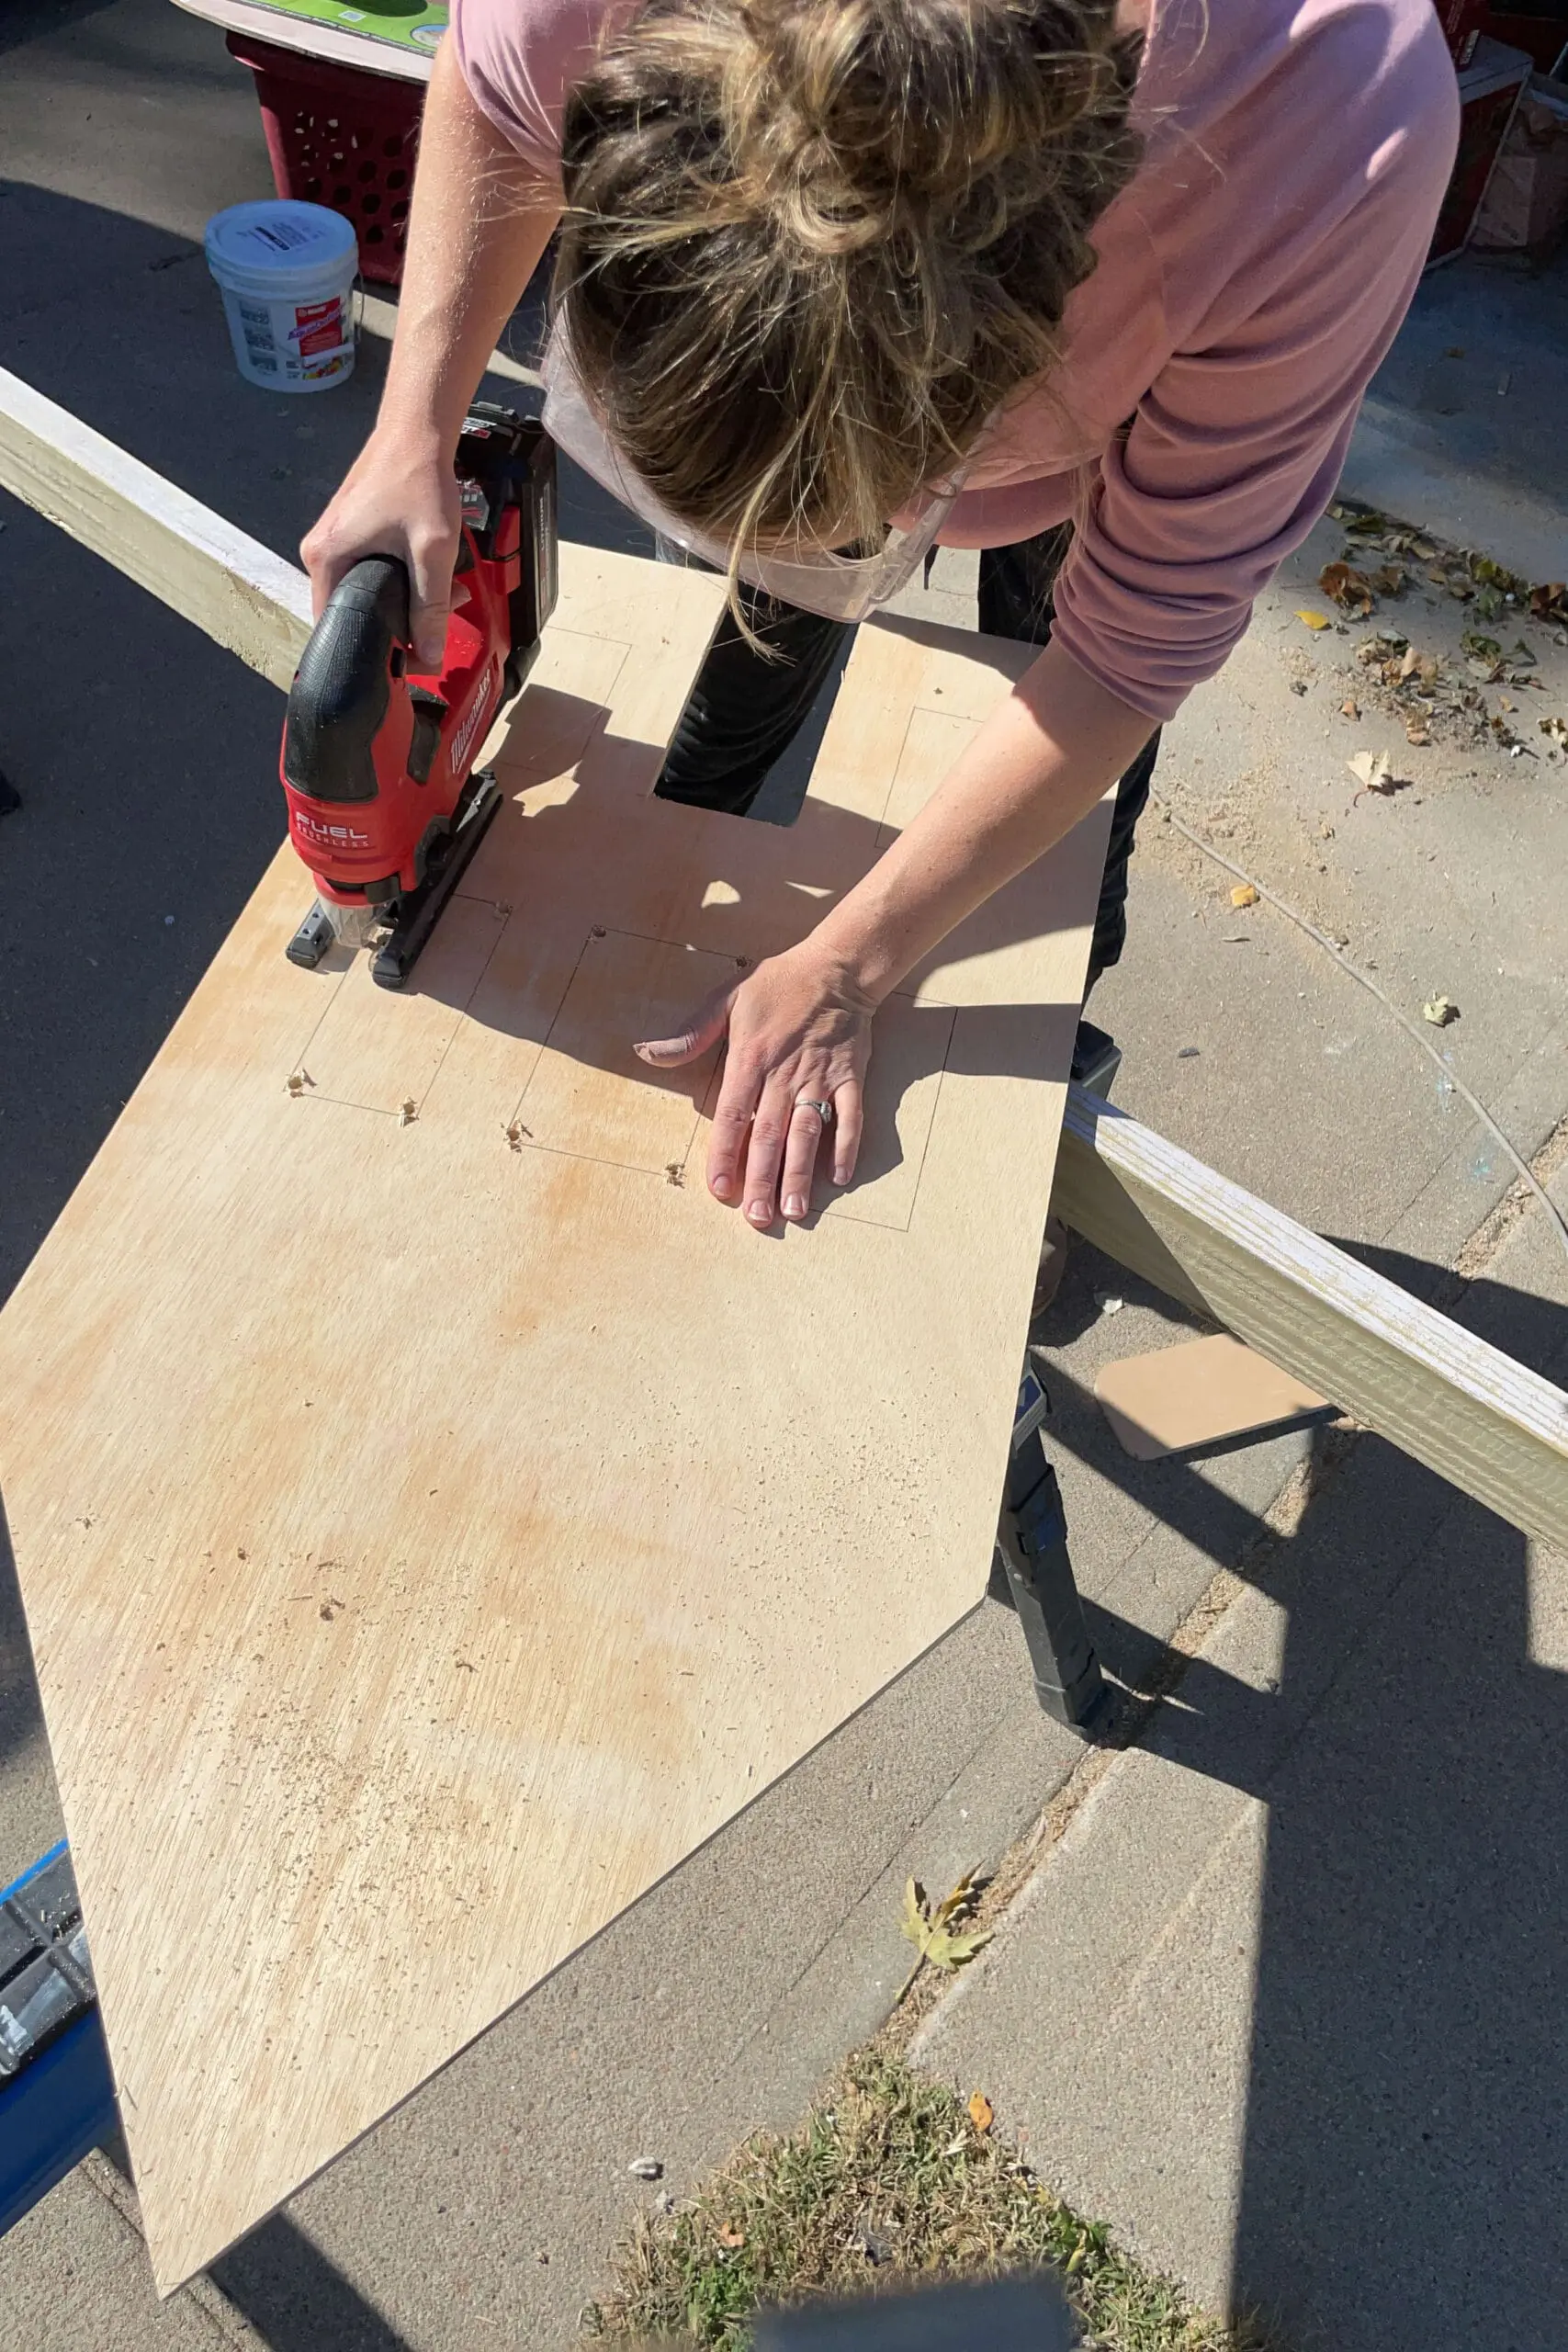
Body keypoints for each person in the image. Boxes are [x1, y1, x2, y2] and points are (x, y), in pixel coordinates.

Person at [304, 0, 1458, 1233]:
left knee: (1048, 866)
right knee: (730, 671)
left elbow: (1133, 644)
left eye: (824, 526)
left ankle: (1039, 1078)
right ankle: (702, 801)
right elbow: (489, 89)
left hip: (1105, 403)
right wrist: (409, 429)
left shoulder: (1326, 123)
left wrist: (849, 968)